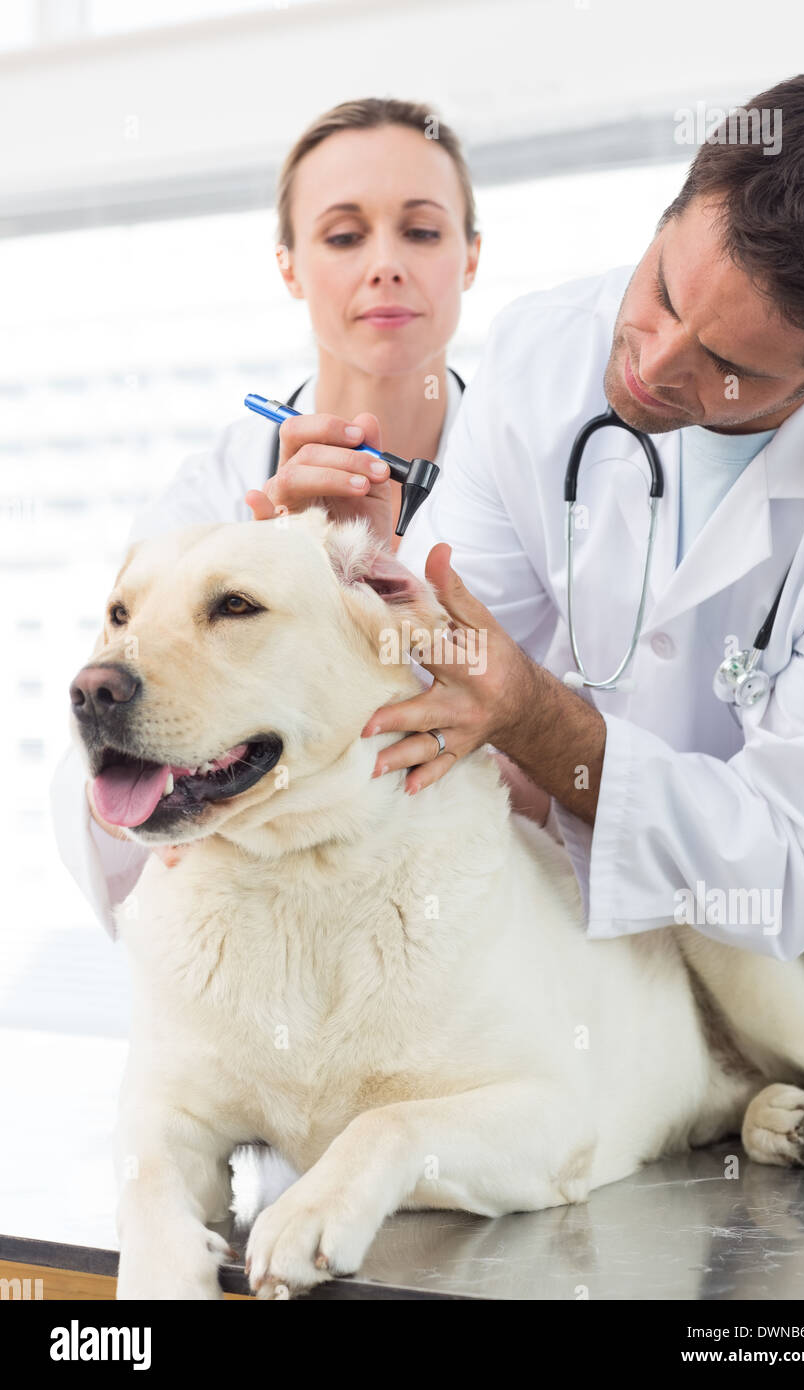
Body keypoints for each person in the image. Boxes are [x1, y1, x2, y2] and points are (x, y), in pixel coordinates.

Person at [258, 70, 804, 994]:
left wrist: (536, 722)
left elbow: (793, 864)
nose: (652, 363)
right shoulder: (543, 357)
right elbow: (430, 688)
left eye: (727, 364)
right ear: (670, 212)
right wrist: (349, 575)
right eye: (662, 289)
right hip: (603, 976)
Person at [50, 96, 506, 939]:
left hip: (476, 936)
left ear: (471, 257)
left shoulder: (544, 477)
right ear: (289, 266)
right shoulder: (210, 497)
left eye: (422, 231)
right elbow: (109, 786)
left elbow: (599, 766)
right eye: (341, 235)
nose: (385, 265)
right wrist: (276, 558)